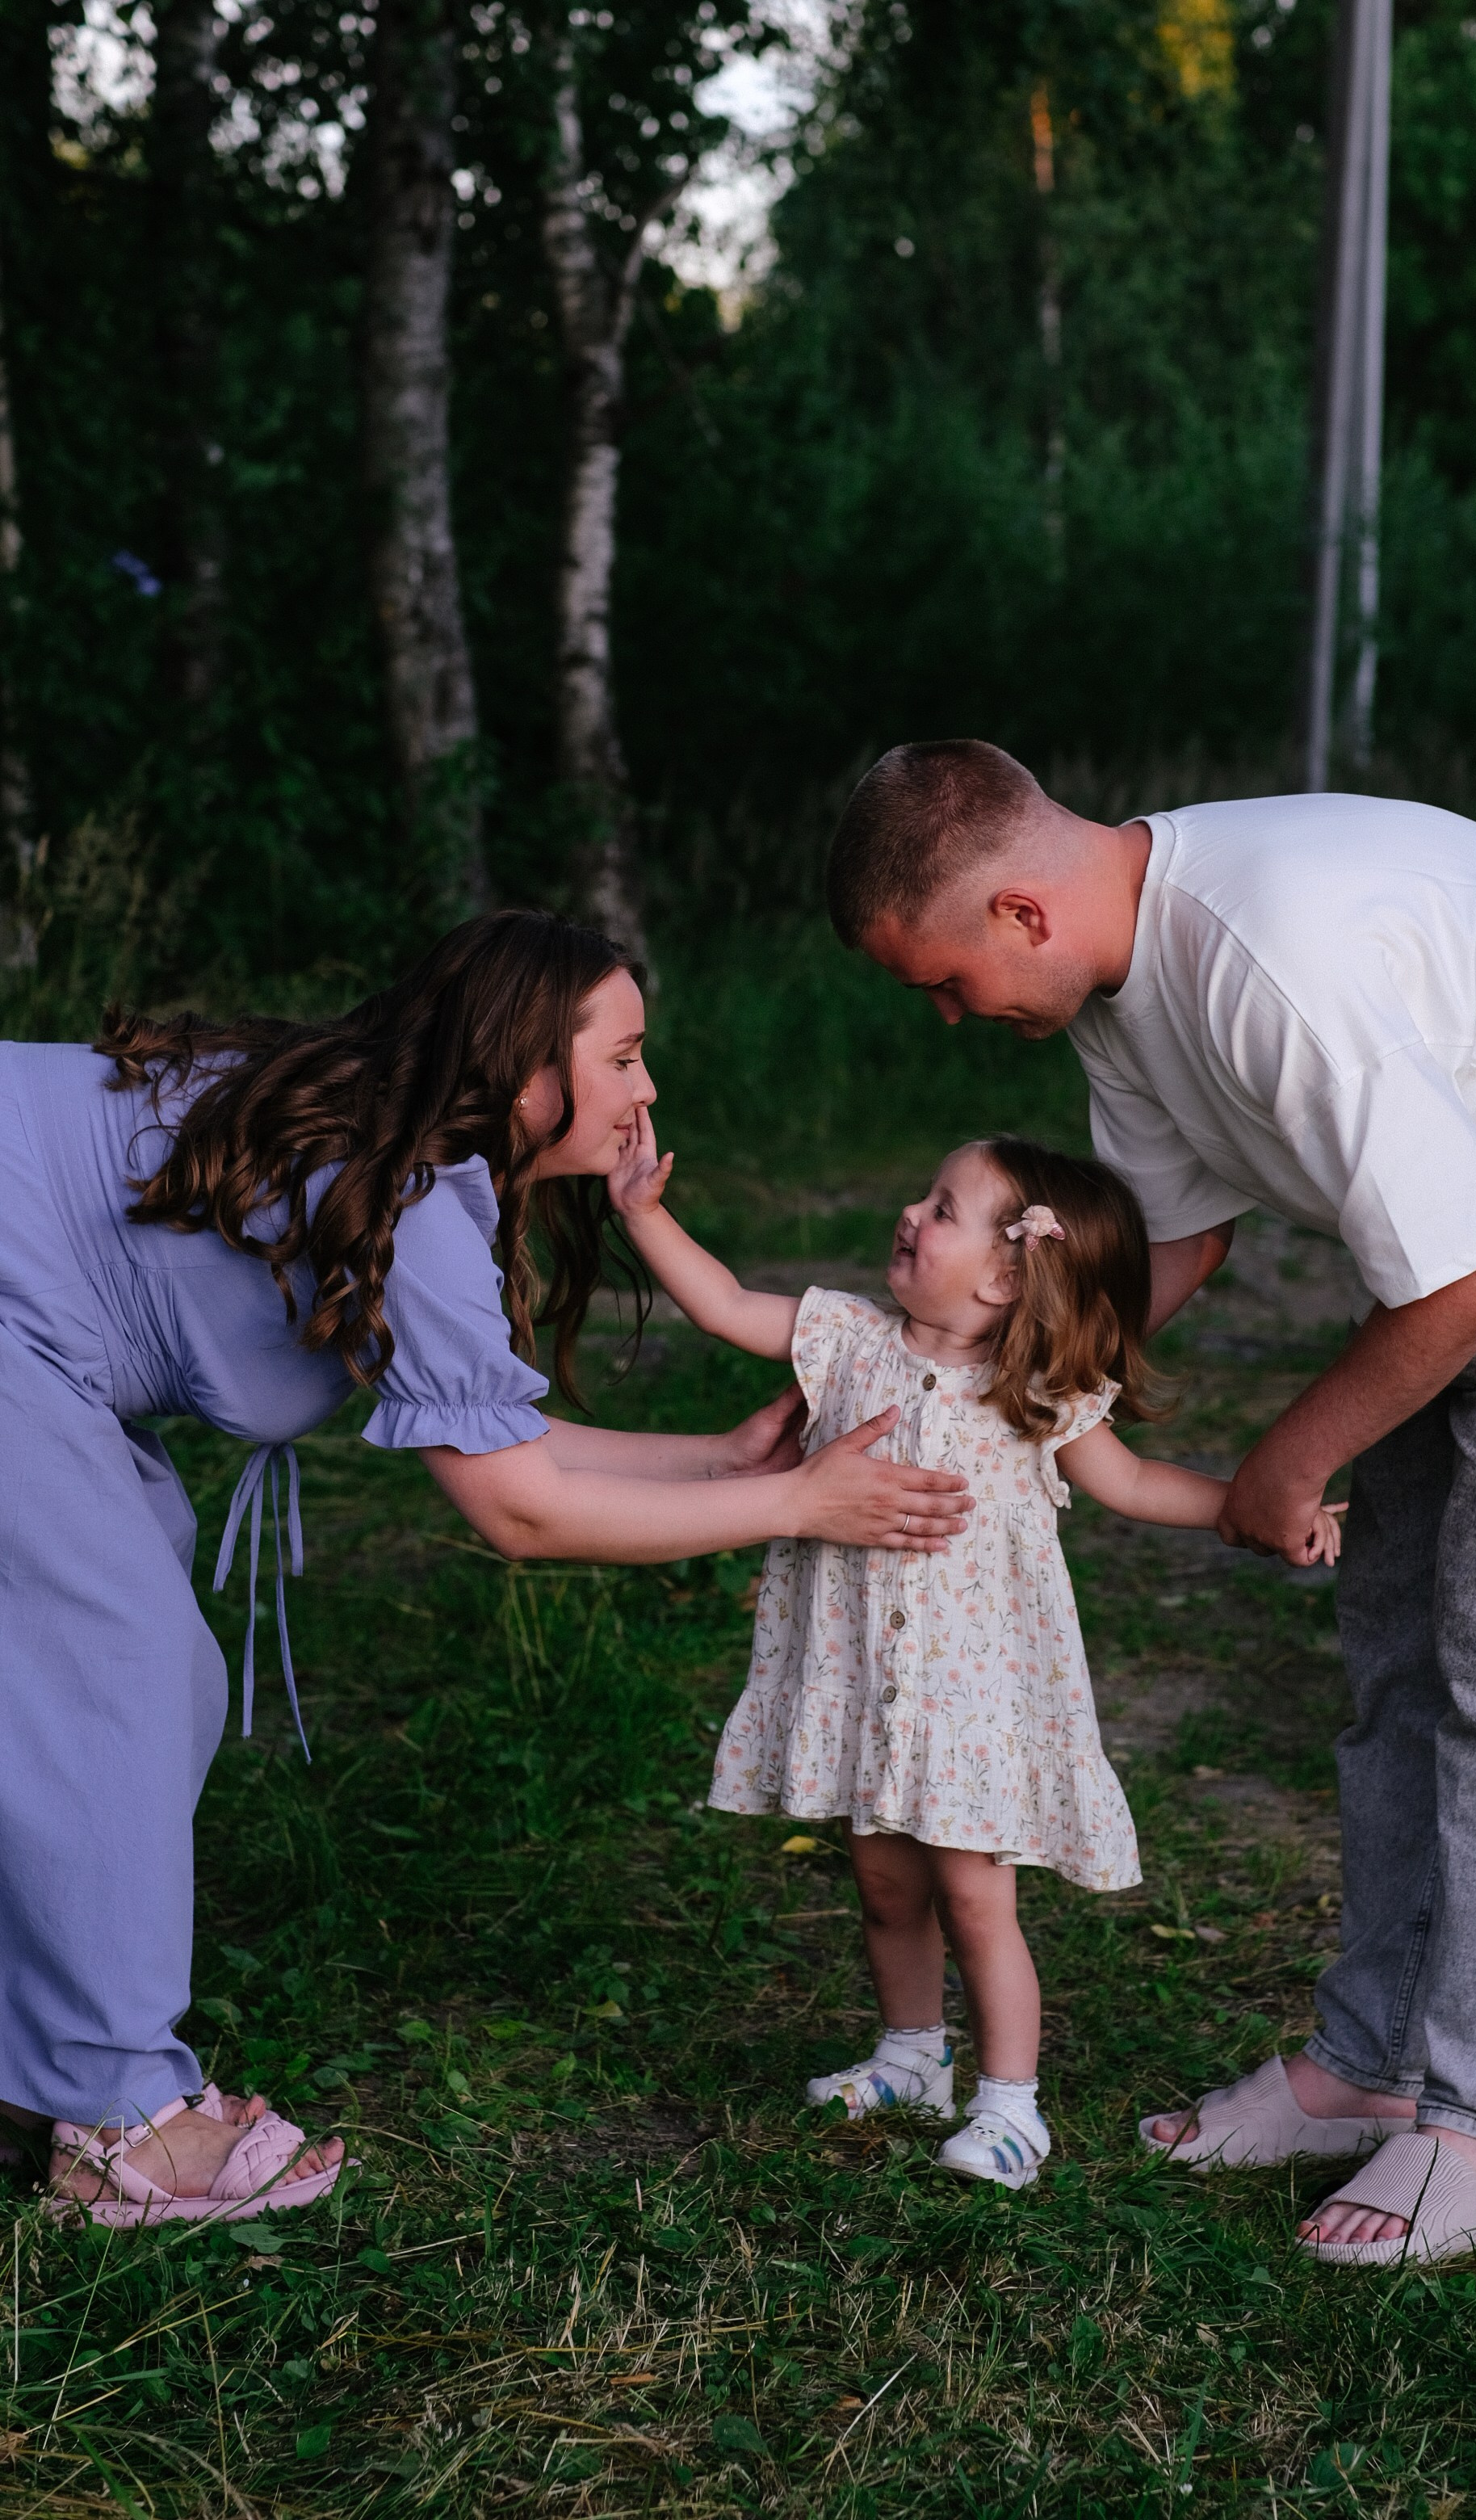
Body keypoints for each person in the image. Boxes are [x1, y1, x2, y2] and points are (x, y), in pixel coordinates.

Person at [830, 740, 1476, 2266]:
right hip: (1459, 1257)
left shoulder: (1267, 962)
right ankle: (1368, 2068)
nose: (950, 1018)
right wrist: (1001, 1391)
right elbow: (1173, 1246)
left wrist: (1288, 1460)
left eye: (944, 981)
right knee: (1401, 1661)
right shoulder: (1111, 991)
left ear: (1021, 911)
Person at [0, 910, 973, 2228]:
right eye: (622, 1058)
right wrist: (796, 1500)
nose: (645, 1089)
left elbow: (499, 1440)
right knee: (112, 1661)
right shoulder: (403, 1188)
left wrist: (723, 1462)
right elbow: (518, 1514)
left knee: (141, 1672)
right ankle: (119, 2125)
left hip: (37, 1337)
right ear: (527, 1067)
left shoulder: (399, 1145)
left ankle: (55, 2052)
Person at [607, 1117, 1340, 2188]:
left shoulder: (1033, 1391)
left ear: (1008, 1279)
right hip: (866, 1680)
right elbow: (721, 1302)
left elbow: (1133, 1484)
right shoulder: (849, 1340)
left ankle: (1012, 2108)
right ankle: (912, 2056)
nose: (911, 1213)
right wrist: (642, 1211)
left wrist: (1257, 1507)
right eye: (926, 1194)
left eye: (943, 1209)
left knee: (975, 1899)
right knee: (885, 1886)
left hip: (971, 1700)